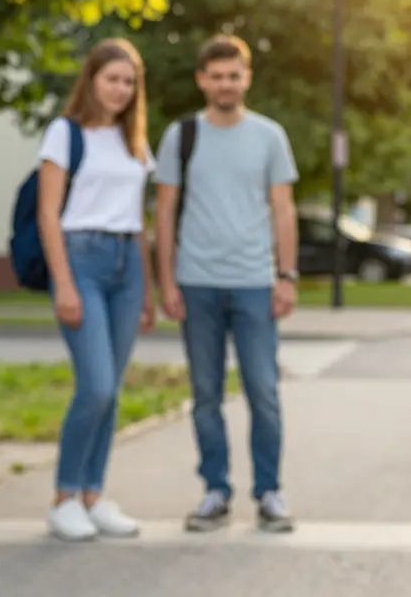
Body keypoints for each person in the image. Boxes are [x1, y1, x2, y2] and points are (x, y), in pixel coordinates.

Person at [153, 34, 300, 534]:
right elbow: (166, 210)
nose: (225, 83)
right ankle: (215, 490)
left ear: (246, 77)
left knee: (263, 391)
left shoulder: (269, 136)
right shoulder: (181, 135)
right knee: (206, 394)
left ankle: (270, 493)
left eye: (233, 75)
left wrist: (287, 275)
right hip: (196, 283)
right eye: (216, 76)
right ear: (202, 80)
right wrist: (166, 280)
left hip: (255, 284)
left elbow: (283, 209)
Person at [36, 37, 157, 542]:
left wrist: (146, 286)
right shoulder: (65, 133)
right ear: (91, 80)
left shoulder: (135, 141)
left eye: (129, 82)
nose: (121, 90)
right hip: (80, 258)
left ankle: (94, 495)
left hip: (127, 262)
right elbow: (48, 213)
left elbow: (139, 219)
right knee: (97, 385)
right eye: (112, 79)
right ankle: (64, 496)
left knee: (114, 389)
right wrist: (63, 281)